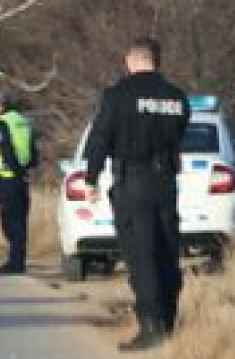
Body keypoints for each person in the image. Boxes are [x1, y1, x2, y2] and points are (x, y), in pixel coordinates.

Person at [84, 38, 191, 353]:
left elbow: (101, 137)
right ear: (156, 61)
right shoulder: (177, 98)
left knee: (141, 256)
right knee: (166, 252)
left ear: (131, 60)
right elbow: (177, 136)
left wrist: (91, 178)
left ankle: (151, 328)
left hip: (133, 182)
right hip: (166, 184)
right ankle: (168, 322)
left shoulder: (118, 96)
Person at [0, 87, 34, 274]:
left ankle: (15, 263)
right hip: (21, 179)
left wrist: (16, 170)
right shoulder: (22, 121)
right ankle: (17, 260)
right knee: (20, 221)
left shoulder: (2, 124)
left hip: (9, 178)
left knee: (10, 222)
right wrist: (27, 169)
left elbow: (7, 150)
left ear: (0, 104)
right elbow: (32, 148)